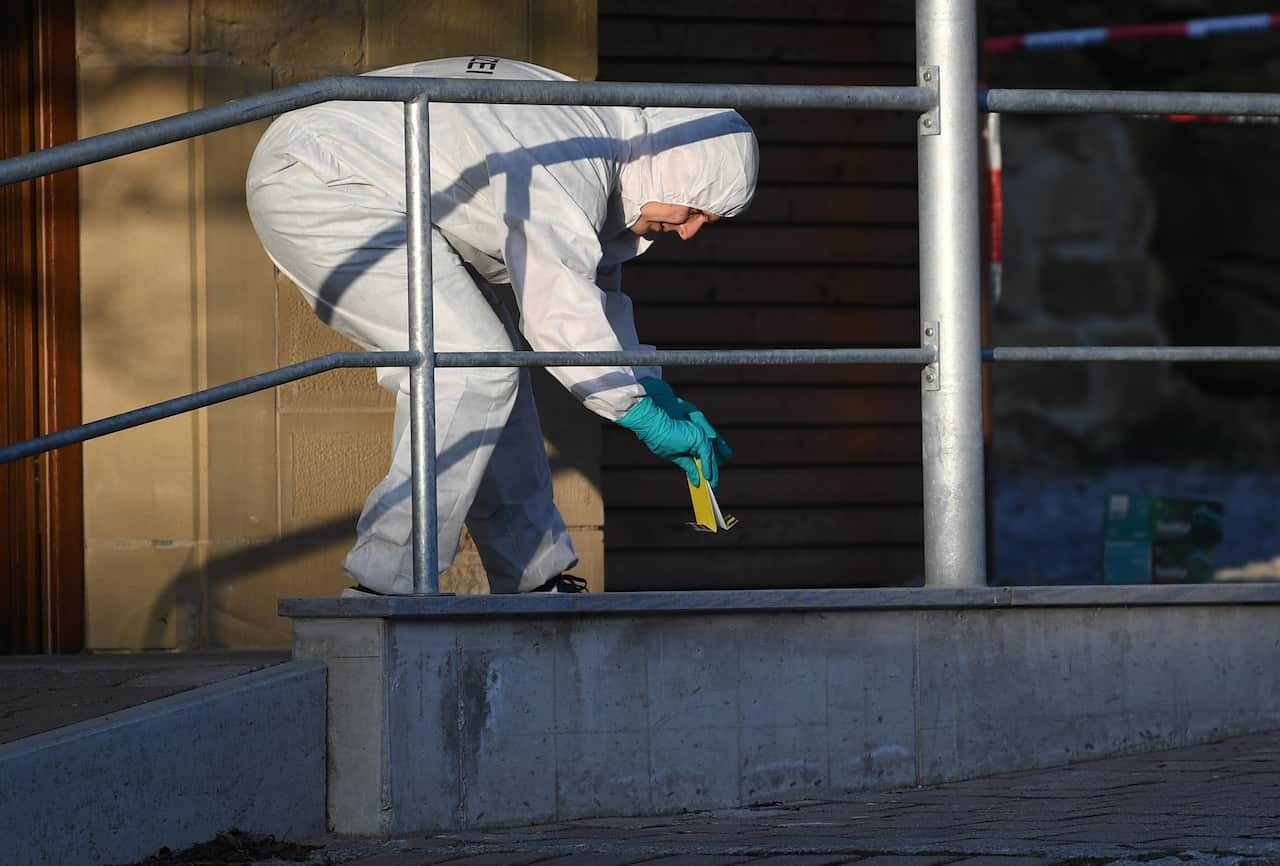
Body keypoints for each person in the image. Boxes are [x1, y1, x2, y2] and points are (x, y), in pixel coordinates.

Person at [245, 56, 758, 595]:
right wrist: (637, 411)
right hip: (322, 179)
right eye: (698, 211)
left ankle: (535, 578)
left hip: (360, 174)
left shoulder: (606, 142)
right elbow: (561, 315)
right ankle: (387, 583)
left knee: (492, 364)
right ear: (672, 168)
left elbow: (594, 299)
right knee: (470, 367)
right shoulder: (575, 159)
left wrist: (651, 385)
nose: (691, 233)